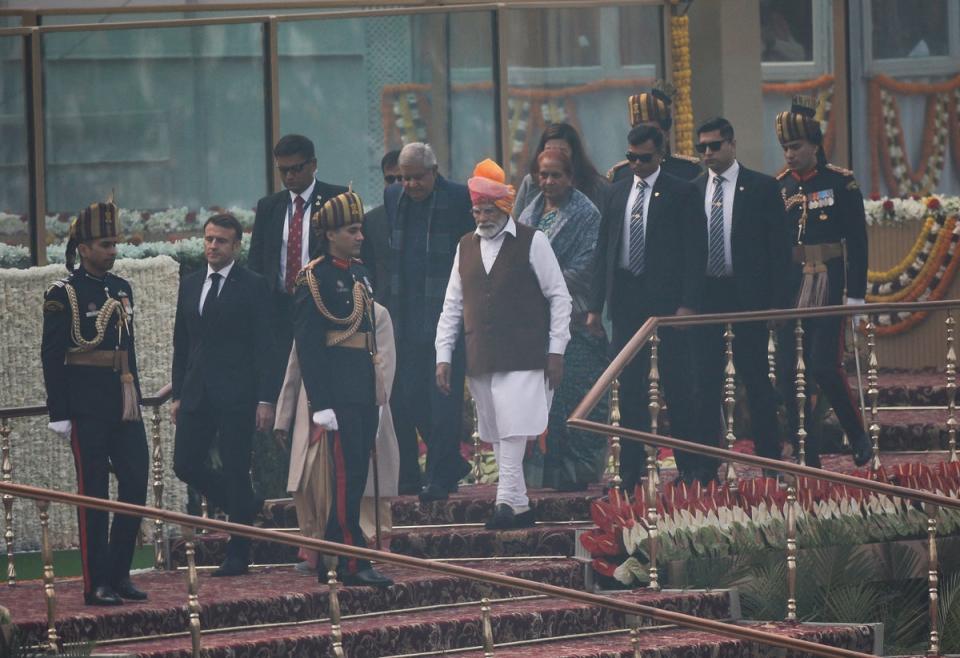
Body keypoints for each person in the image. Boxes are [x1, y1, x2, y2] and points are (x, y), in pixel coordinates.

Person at [436, 159, 572, 529]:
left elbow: (560, 297)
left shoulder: (533, 240)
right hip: (481, 353)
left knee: (513, 426)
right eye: (476, 210)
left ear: (503, 208)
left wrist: (557, 349)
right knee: (496, 430)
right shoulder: (465, 246)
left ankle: (503, 504)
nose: (480, 217)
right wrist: (443, 355)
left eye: (487, 210)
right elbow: (452, 305)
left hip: (525, 353)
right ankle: (520, 504)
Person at [586, 125, 707, 491]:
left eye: (645, 158)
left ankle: (690, 467)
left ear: (660, 155)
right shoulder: (617, 191)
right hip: (626, 301)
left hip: (667, 305)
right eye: (631, 157)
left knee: (677, 385)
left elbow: (695, 252)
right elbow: (603, 249)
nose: (637, 164)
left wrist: (688, 304)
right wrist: (594, 307)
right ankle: (630, 472)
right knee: (629, 388)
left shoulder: (681, 192)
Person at [41, 201, 149, 606]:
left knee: (136, 483)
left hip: (122, 401)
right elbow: (52, 355)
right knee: (94, 494)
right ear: (83, 247)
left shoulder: (121, 288)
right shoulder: (63, 293)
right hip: (86, 406)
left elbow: (129, 349)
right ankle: (96, 582)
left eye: (115, 243)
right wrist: (60, 413)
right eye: (105, 244)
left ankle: (120, 573)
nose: (113, 250)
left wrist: (133, 394)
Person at [171, 213, 281, 576]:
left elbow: (267, 345)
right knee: (185, 463)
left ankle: (238, 553)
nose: (212, 246)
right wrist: (177, 394)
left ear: (236, 245)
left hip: (238, 393)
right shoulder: (189, 284)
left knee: (236, 469)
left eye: (220, 240)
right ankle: (246, 508)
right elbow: (181, 343)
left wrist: (266, 399)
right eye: (208, 239)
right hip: (197, 392)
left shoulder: (253, 285)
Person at [292, 191, 392, 587]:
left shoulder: (360, 273)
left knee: (356, 476)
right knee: (346, 478)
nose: (360, 236)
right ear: (330, 234)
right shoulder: (313, 278)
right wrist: (321, 403)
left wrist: (377, 393)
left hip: (363, 388)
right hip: (337, 393)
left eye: (360, 229)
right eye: (352, 230)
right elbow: (308, 345)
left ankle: (334, 556)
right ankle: (352, 561)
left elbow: (367, 336)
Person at [690, 117, 792, 480]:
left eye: (714, 146)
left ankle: (770, 461)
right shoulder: (694, 189)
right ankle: (705, 464)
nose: (707, 154)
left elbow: (780, 251)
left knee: (757, 379)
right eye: (701, 147)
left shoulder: (761, 188)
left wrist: (779, 302)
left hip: (748, 294)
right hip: (707, 294)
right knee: (705, 381)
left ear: (732, 144)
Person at [774, 97, 872, 469]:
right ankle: (805, 448)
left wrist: (857, 297)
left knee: (823, 366)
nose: (789, 154)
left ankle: (857, 434)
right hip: (792, 285)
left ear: (814, 145)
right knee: (786, 372)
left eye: (796, 147)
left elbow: (858, 243)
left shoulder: (840, 183)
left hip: (829, 282)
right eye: (785, 147)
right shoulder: (780, 187)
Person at [274, 299, 399, 572]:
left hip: (361, 408)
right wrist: (283, 418)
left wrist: (374, 418)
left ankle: (366, 544)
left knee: (359, 482)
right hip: (314, 413)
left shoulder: (377, 314)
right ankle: (318, 548)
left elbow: (384, 368)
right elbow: (296, 366)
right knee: (311, 481)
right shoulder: (311, 314)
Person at [385, 142, 474, 501]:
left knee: (443, 400)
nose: (409, 185)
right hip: (405, 315)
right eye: (404, 178)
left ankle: (439, 477)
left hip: (446, 316)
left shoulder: (458, 198)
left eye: (416, 178)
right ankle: (449, 462)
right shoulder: (395, 198)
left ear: (434, 172)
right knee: (409, 396)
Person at [517, 150, 607, 491]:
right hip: (535, 321)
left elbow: (587, 265)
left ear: (570, 177)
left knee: (574, 395)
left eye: (556, 175)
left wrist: (547, 285)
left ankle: (577, 474)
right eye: (543, 175)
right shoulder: (530, 211)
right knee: (540, 400)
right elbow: (515, 256)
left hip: (575, 321)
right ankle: (543, 476)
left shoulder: (586, 214)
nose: (548, 182)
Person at [248, 134, 348, 359]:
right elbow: (257, 259)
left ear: (313, 165)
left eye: (296, 168)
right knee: (282, 373)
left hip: (323, 303)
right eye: (283, 170)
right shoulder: (269, 206)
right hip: (279, 307)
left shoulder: (336, 199)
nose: (289, 176)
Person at [512, 123, 607, 218]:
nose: (554, 157)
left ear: (574, 154)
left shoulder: (595, 185)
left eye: (562, 151)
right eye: (548, 150)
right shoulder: (530, 182)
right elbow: (516, 223)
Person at [607, 88, 701, 183]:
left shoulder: (688, 171)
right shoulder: (620, 175)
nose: (643, 136)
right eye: (637, 130)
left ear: (666, 134)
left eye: (651, 131)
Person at [361, 149, 402, 301]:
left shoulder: (428, 216)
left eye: (401, 178)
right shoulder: (370, 220)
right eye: (390, 179)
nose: (396, 184)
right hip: (384, 303)